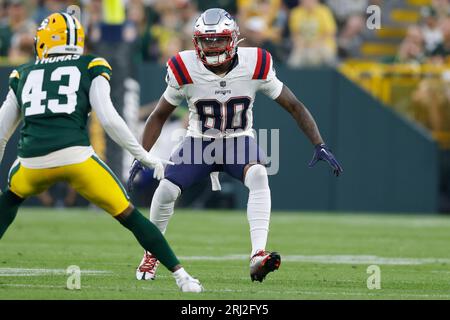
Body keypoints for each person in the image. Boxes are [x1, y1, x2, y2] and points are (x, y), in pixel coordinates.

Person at [128, 8, 343, 282]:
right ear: (197, 42)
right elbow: (159, 115)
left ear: (234, 39)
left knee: (258, 174)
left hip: (237, 140)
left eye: (219, 39)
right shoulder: (185, 68)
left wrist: (319, 143)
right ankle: (152, 252)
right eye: (207, 40)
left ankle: (258, 255)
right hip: (199, 142)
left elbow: (294, 105)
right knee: (167, 189)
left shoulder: (255, 63)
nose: (213, 45)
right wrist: (141, 155)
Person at [0, 12, 202, 293]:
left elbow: (2, 132)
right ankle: (183, 277)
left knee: (9, 199)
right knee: (131, 216)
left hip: (31, 162)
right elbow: (109, 119)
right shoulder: (90, 65)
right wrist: (144, 157)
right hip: (76, 158)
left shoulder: (22, 73)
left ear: (45, 40)